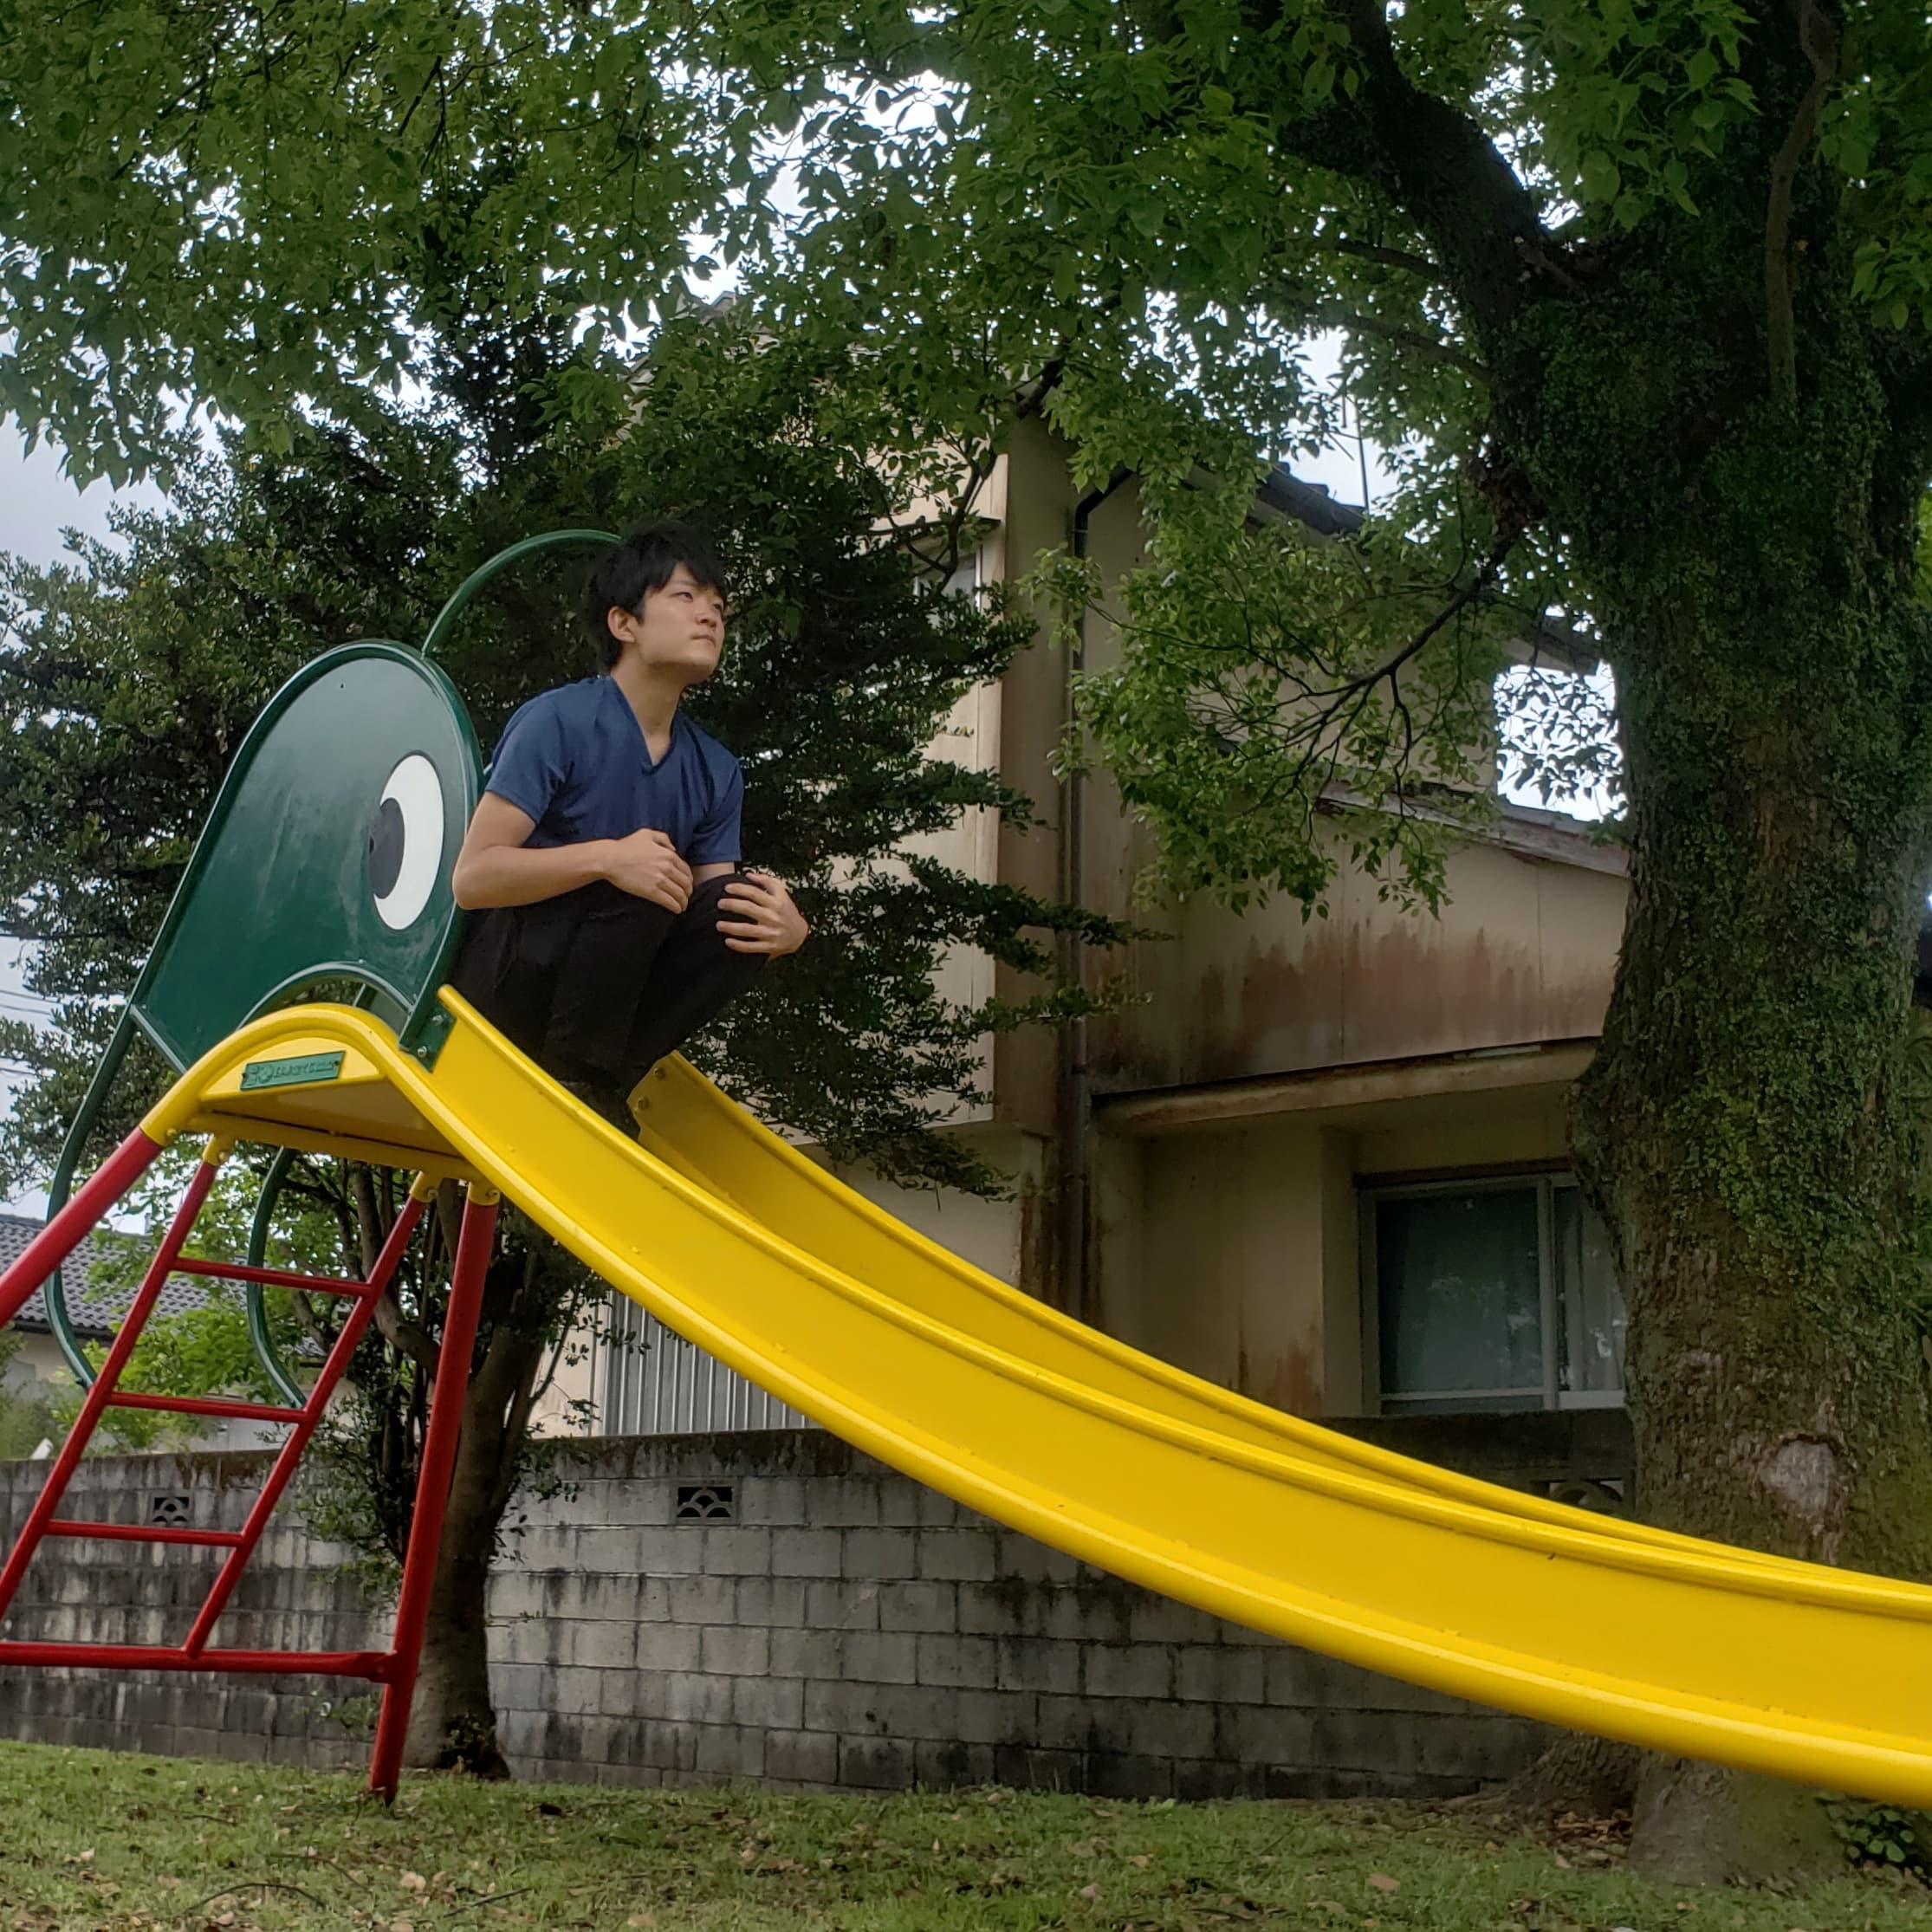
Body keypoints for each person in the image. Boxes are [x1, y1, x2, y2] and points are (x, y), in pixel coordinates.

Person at [449, 522, 808, 1130]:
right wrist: (607, 858)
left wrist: (785, 934)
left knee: (731, 904)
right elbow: (474, 878)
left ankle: (599, 1081)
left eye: (718, 606)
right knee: (644, 871)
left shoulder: (715, 768)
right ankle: (577, 1078)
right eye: (685, 597)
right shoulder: (557, 722)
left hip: (606, 1010)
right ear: (625, 623)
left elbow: (707, 912)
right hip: (503, 986)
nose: (710, 618)